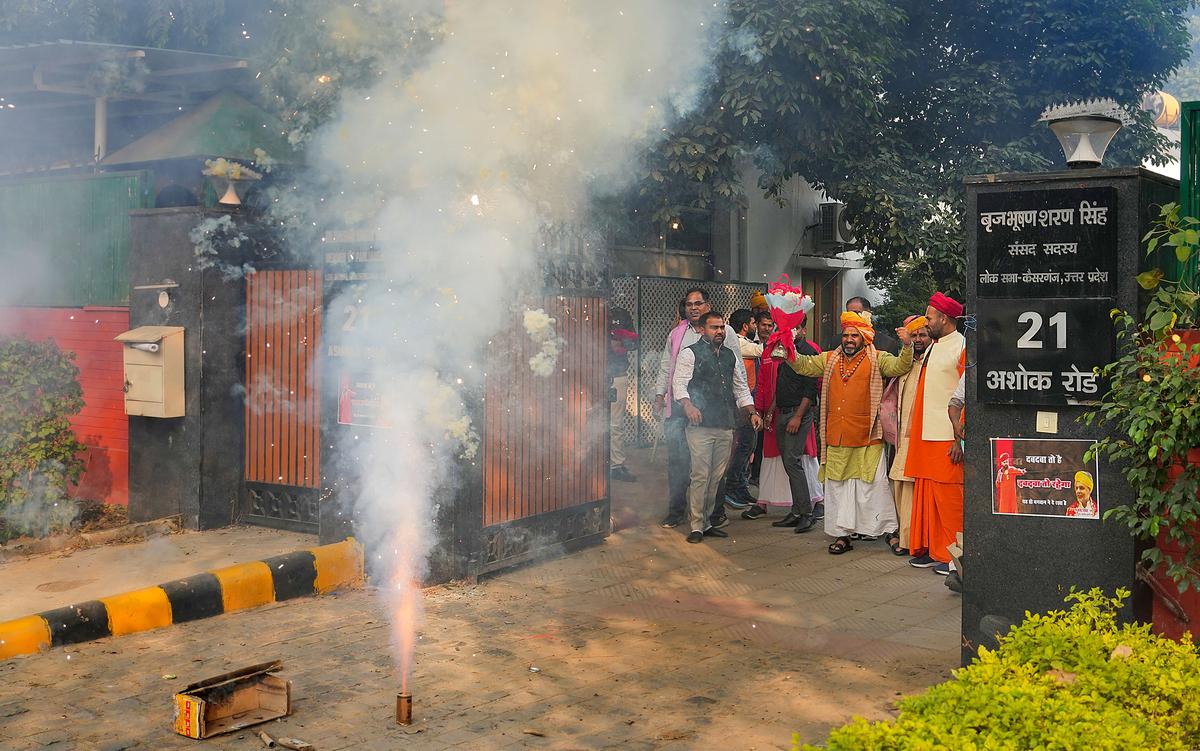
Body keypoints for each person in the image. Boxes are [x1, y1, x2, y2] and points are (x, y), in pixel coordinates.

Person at [786, 311, 914, 553]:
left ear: (864, 337)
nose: (849, 339)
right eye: (845, 335)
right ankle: (842, 535)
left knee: (873, 488)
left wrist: (907, 345)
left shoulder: (878, 358)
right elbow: (803, 365)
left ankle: (888, 531)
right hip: (837, 435)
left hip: (868, 436)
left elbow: (900, 366)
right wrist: (787, 348)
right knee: (839, 489)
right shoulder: (830, 359)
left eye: (854, 335)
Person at [654, 288, 751, 529]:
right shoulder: (677, 334)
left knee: (714, 466)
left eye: (698, 303)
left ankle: (715, 514)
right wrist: (659, 396)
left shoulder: (723, 332)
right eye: (689, 304)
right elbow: (667, 367)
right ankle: (677, 512)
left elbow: (735, 368)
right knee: (678, 461)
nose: (693, 308)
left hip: (716, 411)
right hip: (680, 407)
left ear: (708, 305)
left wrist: (745, 405)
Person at [673, 312, 762, 543]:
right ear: (702, 330)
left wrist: (751, 412)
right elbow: (679, 384)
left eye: (722, 327)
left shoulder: (730, 355)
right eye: (714, 328)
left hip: (724, 424)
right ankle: (696, 525)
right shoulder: (689, 353)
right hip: (699, 425)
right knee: (700, 475)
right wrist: (688, 405)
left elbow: (741, 388)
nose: (719, 332)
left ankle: (708, 522)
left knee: (716, 476)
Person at [907, 292, 967, 576]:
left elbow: (966, 396)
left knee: (950, 499)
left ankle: (956, 557)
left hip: (947, 437)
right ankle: (935, 551)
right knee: (930, 497)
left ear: (944, 318)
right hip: (926, 434)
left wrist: (960, 438)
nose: (926, 321)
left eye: (930, 317)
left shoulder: (962, 346)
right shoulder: (934, 345)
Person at [886, 316, 932, 555]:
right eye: (913, 336)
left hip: (923, 438)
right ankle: (905, 538)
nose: (918, 340)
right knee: (899, 485)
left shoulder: (932, 361)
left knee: (912, 488)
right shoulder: (905, 363)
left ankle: (911, 541)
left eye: (922, 335)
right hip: (901, 438)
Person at [721, 309, 763, 510]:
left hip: (748, 401)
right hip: (741, 404)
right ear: (746, 326)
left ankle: (741, 486)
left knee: (748, 446)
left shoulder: (745, 342)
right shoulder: (739, 342)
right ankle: (732, 487)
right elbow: (762, 351)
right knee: (743, 445)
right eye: (754, 323)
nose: (756, 327)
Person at [608, 307, 639, 482]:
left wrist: (620, 342)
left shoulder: (620, 313)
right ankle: (591, 462)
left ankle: (616, 465)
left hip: (617, 375)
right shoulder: (588, 307)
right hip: (590, 375)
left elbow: (634, 343)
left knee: (615, 423)